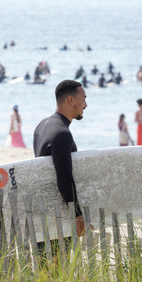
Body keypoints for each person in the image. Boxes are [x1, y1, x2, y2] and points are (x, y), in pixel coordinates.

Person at [33, 79, 87, 243]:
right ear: (71, 100)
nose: (86, 105)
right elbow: (64, 177)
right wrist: (77, 214)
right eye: (83, 99)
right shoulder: (62, 134)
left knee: (45, 267)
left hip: (42, 212)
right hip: (57, 216)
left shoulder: (42, 125)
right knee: (57, 267)